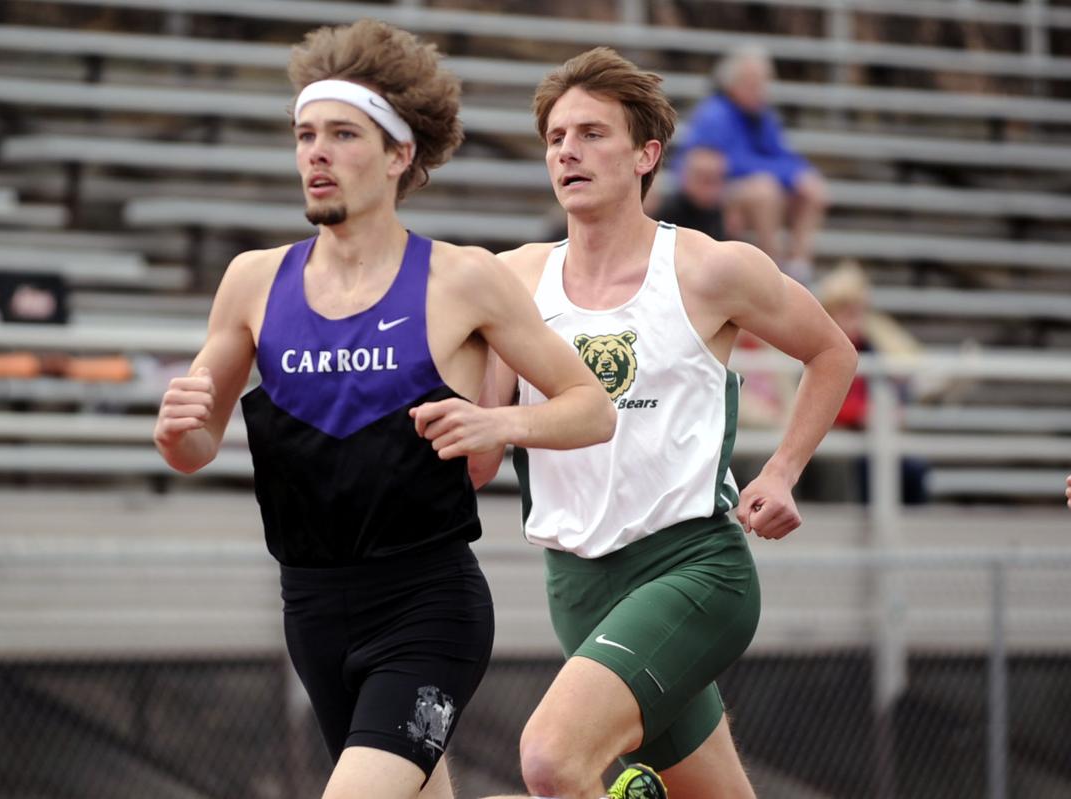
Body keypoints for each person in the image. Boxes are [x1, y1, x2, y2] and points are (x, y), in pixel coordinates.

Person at [152, 20, 616, 799]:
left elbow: (591, 409)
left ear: (401, 154)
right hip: (311, 613)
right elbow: (194, 446)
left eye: (342, 134)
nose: (316, 154)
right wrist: (177, 430)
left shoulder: (462, 280)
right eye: (304, 135)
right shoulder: (252, 282)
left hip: (428, 611)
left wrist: (500, 422)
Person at [473, 48, 857, 799]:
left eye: (590, 133)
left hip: (692, 568)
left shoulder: (711, 269)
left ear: (648, 154)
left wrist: (780, 470)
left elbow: (832, 352)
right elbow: (479, 458)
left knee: (552, 761)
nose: (567, 151)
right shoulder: (513, 279)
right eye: (555, 137)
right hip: (577, 584)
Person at [676, 44, 829, 284]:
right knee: (764, 190)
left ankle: (799, 269)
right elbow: (725, 164)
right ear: (733, 83)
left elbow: (781, 154)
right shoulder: (715, 113)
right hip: (719, 194)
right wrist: (786, 174)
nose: (760, 89)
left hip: (750, 187)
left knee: (812, 189)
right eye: (753, 82)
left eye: (763, 82)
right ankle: (773, 271)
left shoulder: (761, 116)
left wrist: (800, 175)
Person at [818, 260, 929, 505]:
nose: (855, 320)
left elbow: (883, 388)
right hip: (839, 433)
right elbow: (821, 401)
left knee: (914, 468)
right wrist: (864, 413)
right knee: (869, 464)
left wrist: (887, 411)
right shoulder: (821, 348)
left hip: (870, 431)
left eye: (858, 312)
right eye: (847, 312)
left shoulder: (869, 347)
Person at [654, 146, 727, 241]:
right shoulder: (668, 214)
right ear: (686, 177)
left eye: (716, 180)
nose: (710, 189)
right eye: (704, 180)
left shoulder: (724, 215)